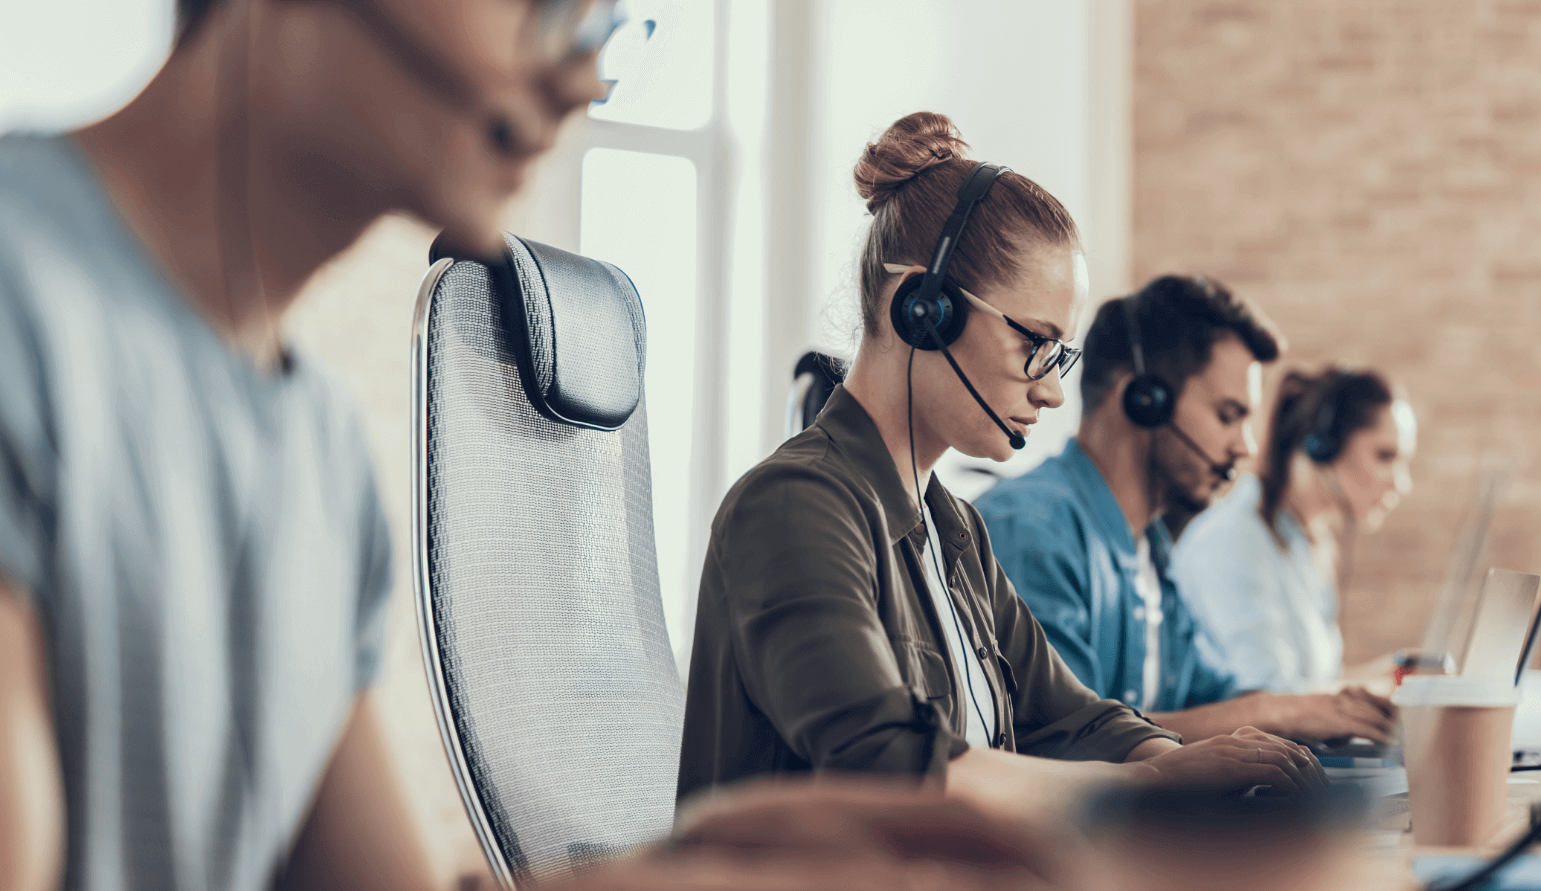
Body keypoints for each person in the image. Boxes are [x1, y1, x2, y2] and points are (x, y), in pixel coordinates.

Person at [0, 3, 1071, 890]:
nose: (581, 75)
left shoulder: (312, 452)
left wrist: (682, 875)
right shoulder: (20, 314)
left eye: (608, 20)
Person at [676, 112, 1327, 818]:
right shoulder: (791, 506)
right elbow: (887, 765)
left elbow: (1071, 718)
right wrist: (1152, 785)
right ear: (922, 310)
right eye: (1034, 344)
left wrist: (1191, 765)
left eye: (1060, 356)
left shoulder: (953, 529)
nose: (1051, 389)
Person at [975, 278, 1396, 746]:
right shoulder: (1033, 529)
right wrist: (1270, 712)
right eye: (1227, 415)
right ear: (1143, 401)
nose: (1246, 446)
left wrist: (1328, 707)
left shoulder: (1153, 551)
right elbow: (1066, 737)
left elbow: (1217, 695)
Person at [1169, 367, 1416, 695]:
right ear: (1324, 446)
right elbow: (1269, 698)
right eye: (1385, 456)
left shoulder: (1307, 544)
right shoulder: (1232, 541)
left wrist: (1390, 677)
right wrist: (1378, 690)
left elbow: (1311, 687)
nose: (1402, 484)